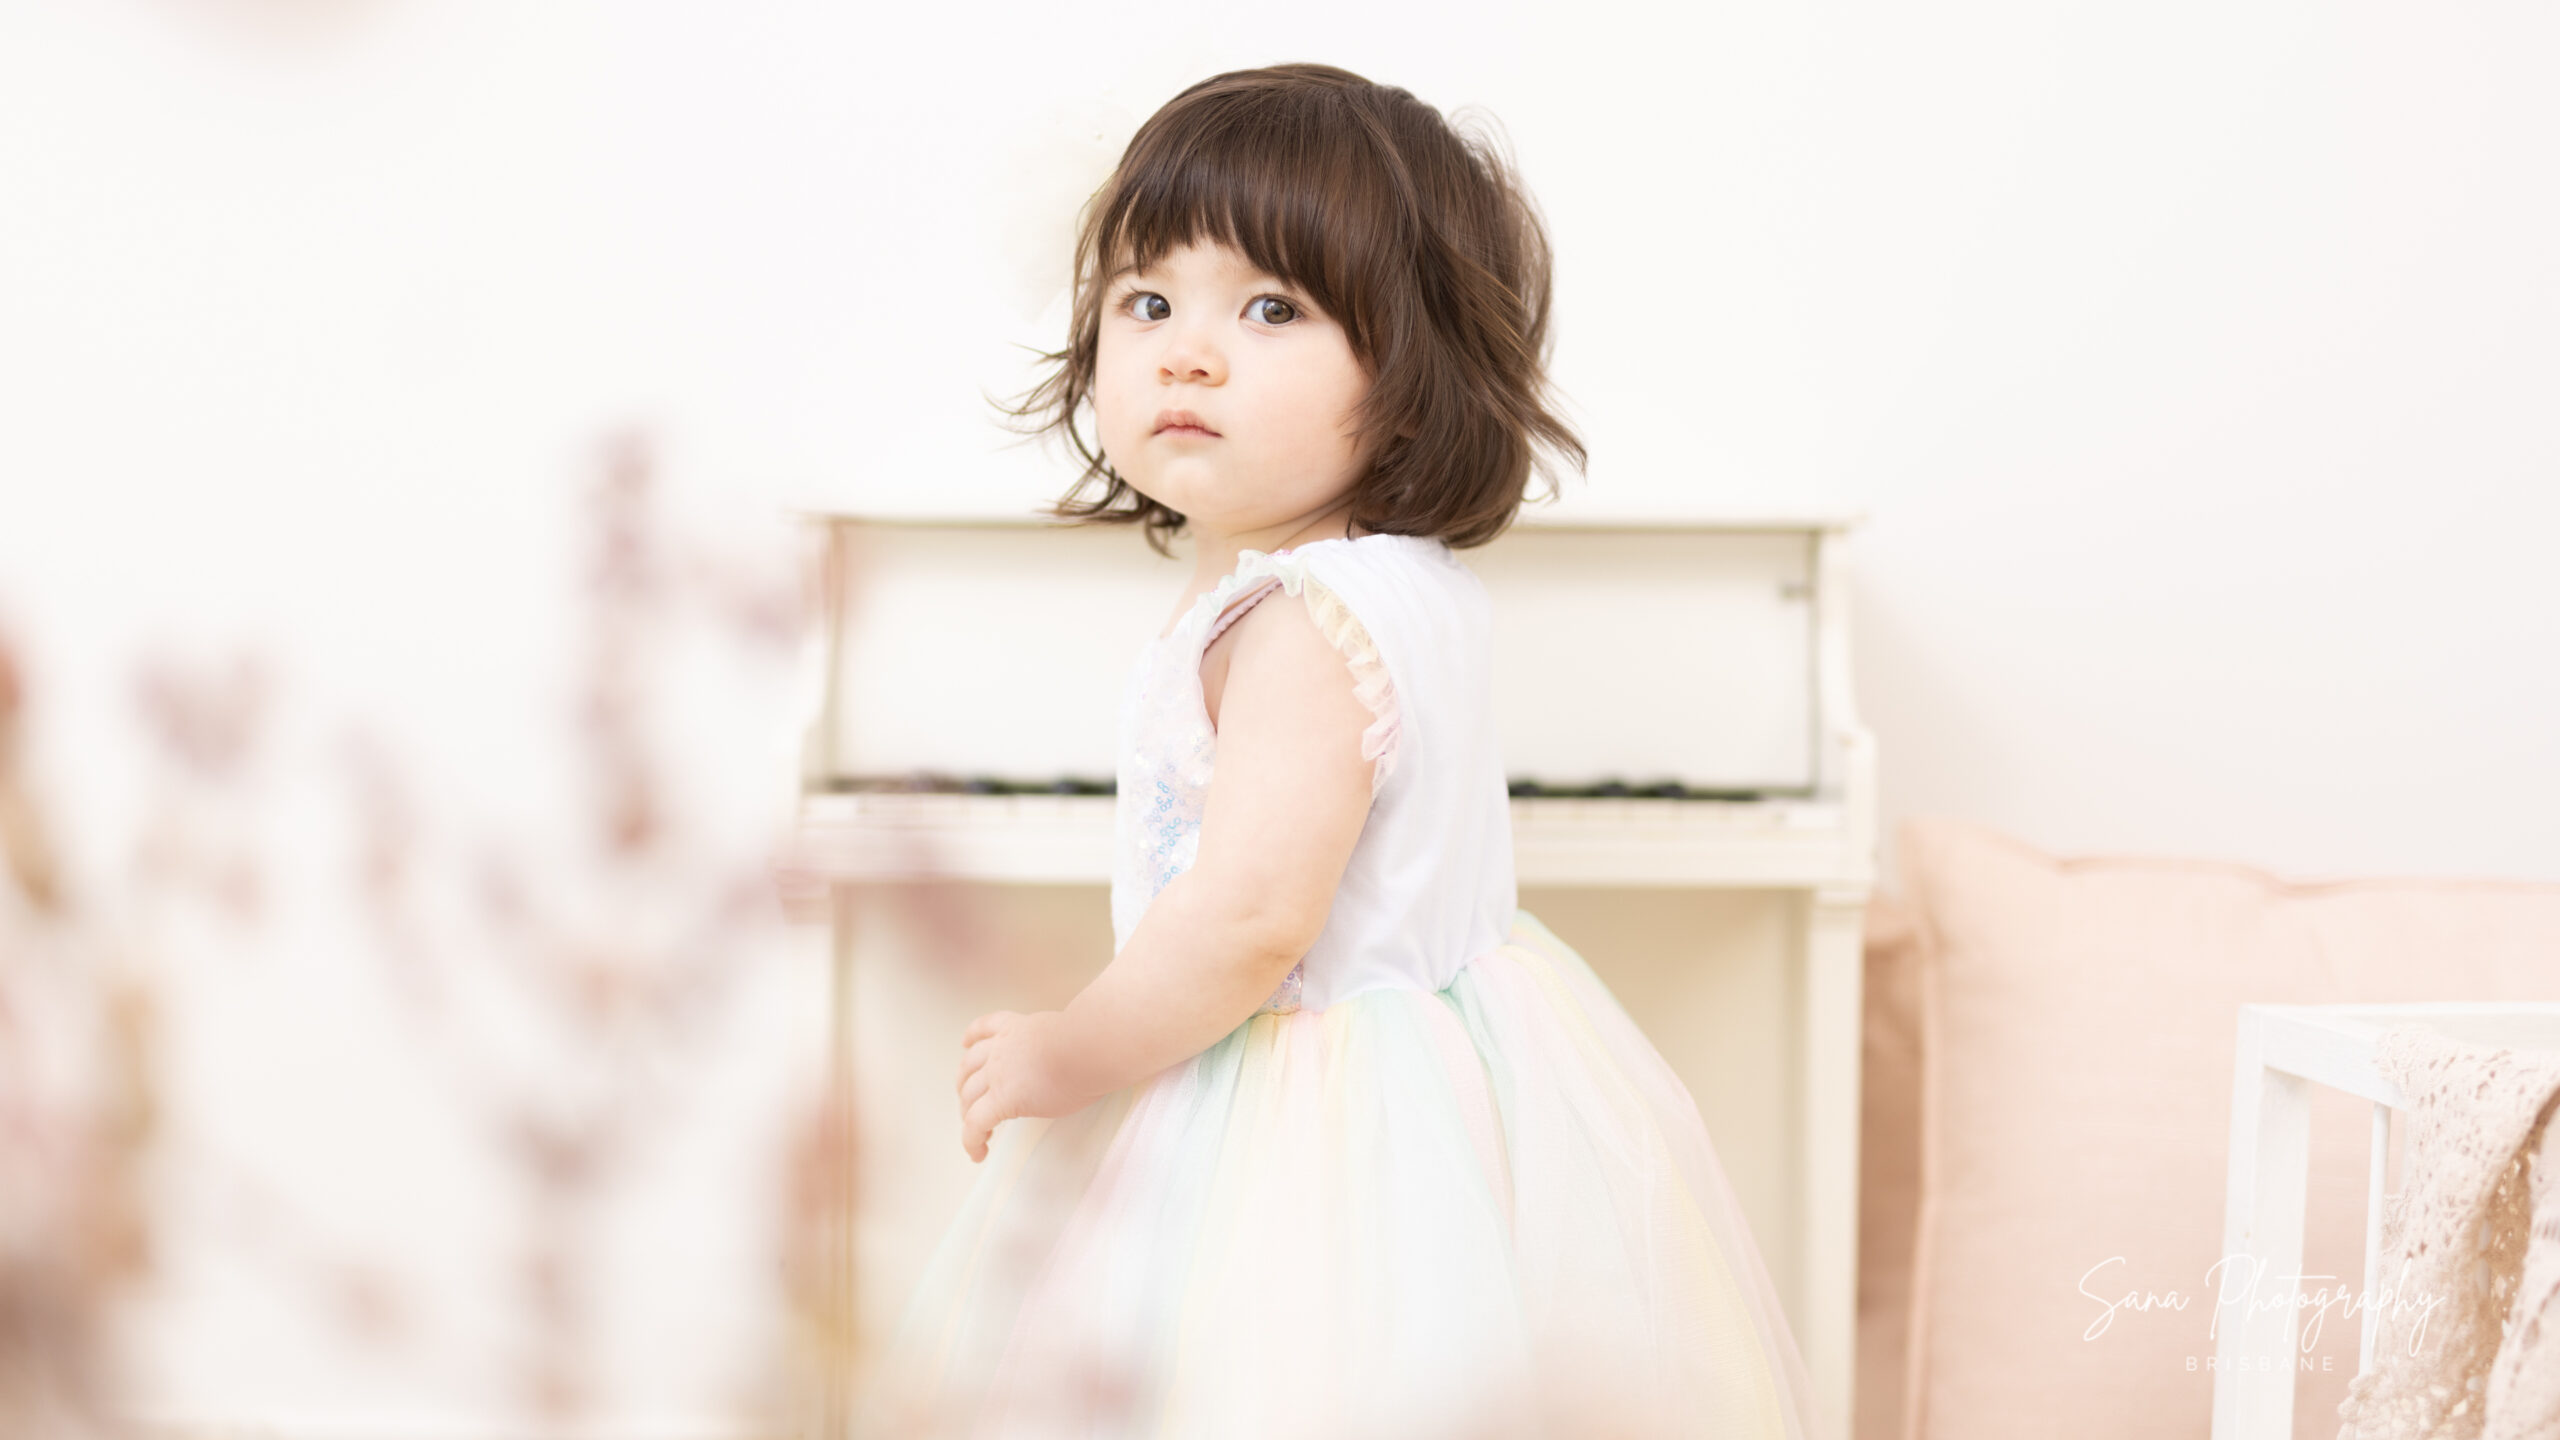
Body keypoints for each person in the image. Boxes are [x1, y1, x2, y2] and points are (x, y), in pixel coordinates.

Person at [855, 62, 1823, 1440]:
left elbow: (1250, 919)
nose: (1188, 351)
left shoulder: (1304, 624)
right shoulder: (1399, 585)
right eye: (1148, 302)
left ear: (1414, 373)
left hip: (1305, 1126)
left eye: (1270, 307)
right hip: (1442, 1079)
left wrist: (1074, 1049)